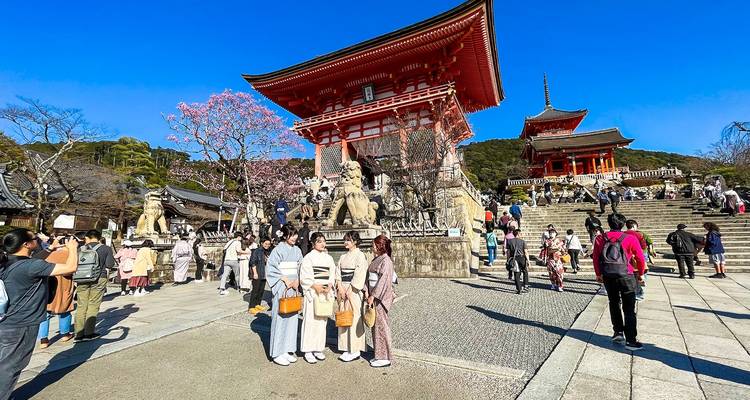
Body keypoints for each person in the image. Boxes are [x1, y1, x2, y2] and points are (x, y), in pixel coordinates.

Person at [0, 229, 79, 399]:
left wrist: (50, 249)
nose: (38, 239)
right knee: (11, 365)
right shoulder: (31, 266)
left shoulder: (8, 262)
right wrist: (72, 248)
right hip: (22, 323)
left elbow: (32, 262)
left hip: (5, 320)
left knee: (4, 361)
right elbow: (71, 267)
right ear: (26, 245)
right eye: (35, 238)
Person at [592, 213, 646, 351]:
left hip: (608, 275)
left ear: (609, 223)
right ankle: (631, 341)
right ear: (622, 224)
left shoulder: (600, 238)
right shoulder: (630, 238)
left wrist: (598, 274)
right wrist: (640, 274)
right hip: (626, 274)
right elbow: (640, 257)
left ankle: (618, 332)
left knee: (614, 303)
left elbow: (596, 258)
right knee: (629, 308)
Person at [266, 223, 303, 366]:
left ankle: (287, 349)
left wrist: (297, 281)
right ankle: (277, 352)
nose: (294, 237)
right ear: (285, 235)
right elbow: (271, 268)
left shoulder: (297, 250)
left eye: (295, 234)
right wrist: (286, 279)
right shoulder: (278, 250)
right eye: (291, 234)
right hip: (282, 285)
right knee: (280, 317)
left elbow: (301, 267)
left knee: (292, 318)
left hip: (293, 286)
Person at [299, 232, 335, 364]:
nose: (322, 244)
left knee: (322, 321)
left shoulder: (328, 258)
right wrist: (314, 286)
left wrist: (330, 284)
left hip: (325, 290)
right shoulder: (308, 258)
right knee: (310, 320)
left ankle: (318, 348)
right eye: (319, 241)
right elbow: (305, 276)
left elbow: (332, 272)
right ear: (313, 243)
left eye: (323, 241)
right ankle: (308, 350)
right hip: (314, 291)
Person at [74, 230, 115, 342]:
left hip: (82, 278)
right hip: (99, 278)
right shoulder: (106, 248)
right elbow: (110, 264)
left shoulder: (80, 249)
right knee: (93, 304)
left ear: (87, 238)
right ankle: (89, 333)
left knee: (82, 305)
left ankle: (78, 334)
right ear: (99, 237)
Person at [335, 231, 369, 362]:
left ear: (355, 241)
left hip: (353, 291)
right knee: (344, 317)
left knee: (354, 317)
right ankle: (345, 346)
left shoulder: (360, 256)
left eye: (348, 240)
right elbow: (338, 272)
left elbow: (360, 273)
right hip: (343, 288)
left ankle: (355, 349)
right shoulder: (343, 256)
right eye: (345, 240)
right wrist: (339, 285)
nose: (345, 242)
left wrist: (350, 289)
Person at [37, 239, 76, 349]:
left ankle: (43, 339)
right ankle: (65, 334)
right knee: (65, 309)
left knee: (45, 312)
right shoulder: (69, 254)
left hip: (48, 285)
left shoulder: (49, 254)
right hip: (64, 285)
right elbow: (73, 270)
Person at [367, 234, 395, 368]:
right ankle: (378, 354)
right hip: (373, 294)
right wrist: (367, 290)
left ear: (380, 246)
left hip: (380, 297)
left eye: (374, 244)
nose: (372, 247)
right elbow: (369, 277)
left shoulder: (386, 261)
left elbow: (384, 281)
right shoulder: (377, 259)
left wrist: (374, 295)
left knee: (382, 326)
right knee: (375, 326)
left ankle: (385, 357)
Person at [625, 220, 649, 301]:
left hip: (626, 258)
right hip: (636, 258)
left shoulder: (623, 234)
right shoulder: (638, 235)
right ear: (634, 226)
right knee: (638, 276)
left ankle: (630, 293)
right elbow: (643, 247)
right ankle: (639, 293)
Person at [248, 238, 272, 314]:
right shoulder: (257, 251)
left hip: (264, 273)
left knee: (261, 290)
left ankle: (257, 304)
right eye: (266, 244)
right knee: (255, 290)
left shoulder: (268, 251)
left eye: (268, 244)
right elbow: (253, 262)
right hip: (258, 272)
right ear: (262, 243)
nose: (267, 245)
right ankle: (251, 306)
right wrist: (255, 273)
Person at [505, 229, 530, 294]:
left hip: (514, 259)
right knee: (525, 271)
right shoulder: (522, 241)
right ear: (518, 234)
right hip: (522, 258)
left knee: (516, 273)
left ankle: (519, 289)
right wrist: (528, 261)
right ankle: (526, 286)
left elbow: (508, 252)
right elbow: (526, 252)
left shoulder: (509, 241)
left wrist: (508, 260)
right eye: (520, 233)